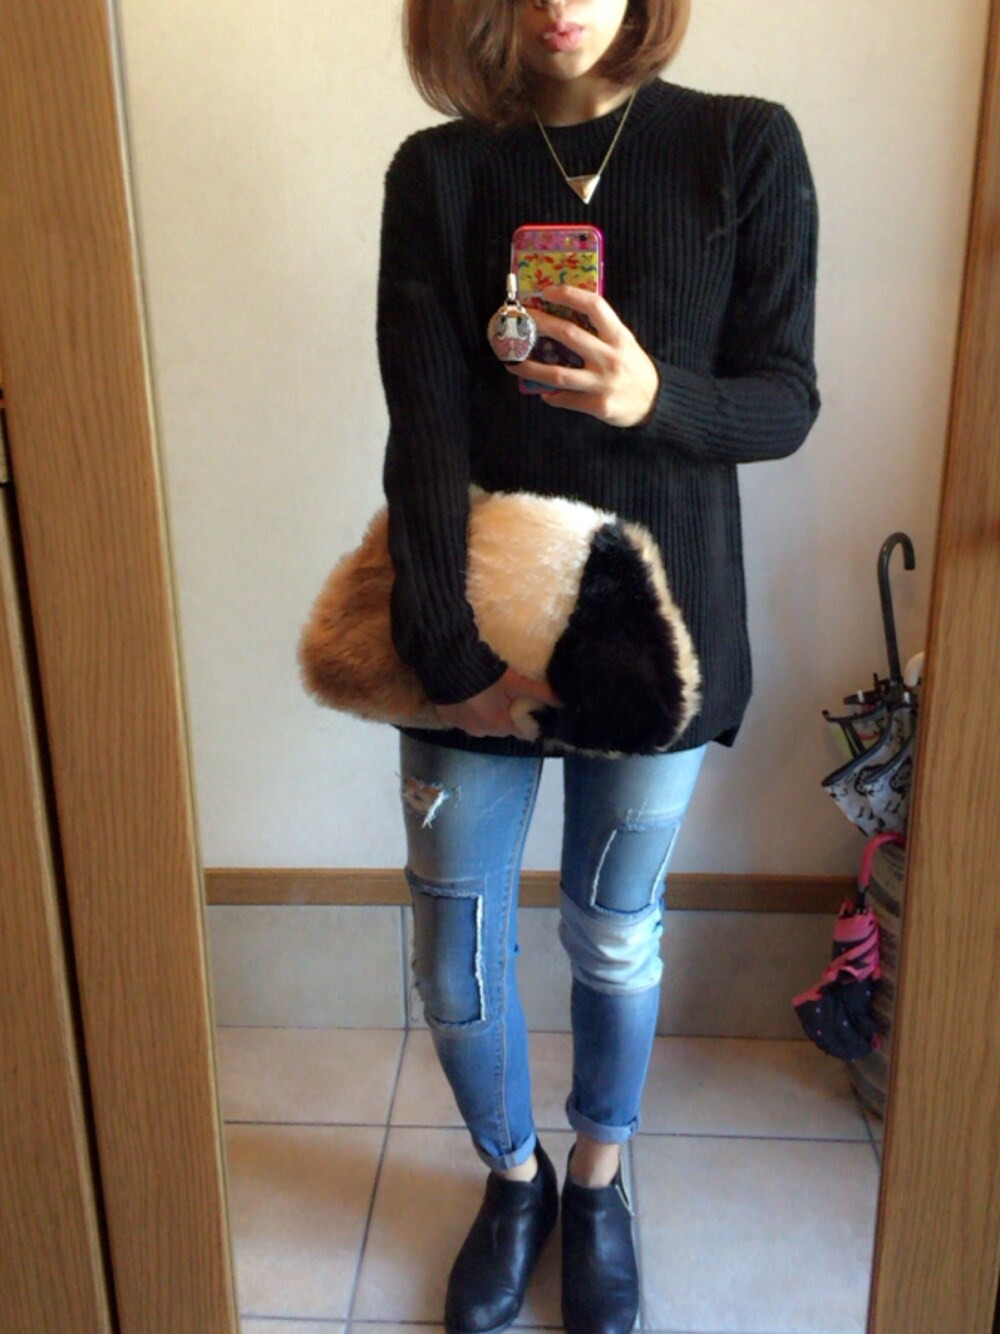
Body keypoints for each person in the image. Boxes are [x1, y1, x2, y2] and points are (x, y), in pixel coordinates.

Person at [376, 2, 819, 1331]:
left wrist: (655, 397)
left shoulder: (743, 147)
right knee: (452, 954)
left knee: (614, 933)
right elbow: (423, 425)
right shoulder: (439, 171)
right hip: (475, 618)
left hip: (659, 630)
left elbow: (786, 399)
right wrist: (447, 654)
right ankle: (513, 1180)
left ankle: (600, 1179)